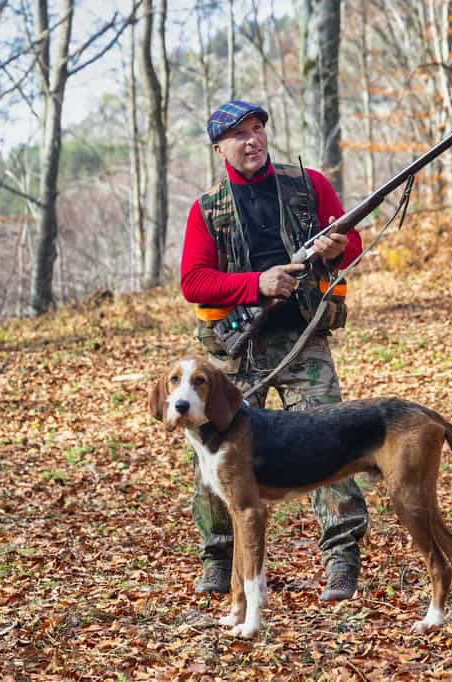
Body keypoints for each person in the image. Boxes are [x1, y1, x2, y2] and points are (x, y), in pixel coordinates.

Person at [179, 99, 369, 601]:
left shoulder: (309, 186)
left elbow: (352, 245)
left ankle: (341, 559)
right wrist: (255, 283)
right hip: (234, 353)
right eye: (239, 134)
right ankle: (219, 558)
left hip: (302, 337)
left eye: (258, 128)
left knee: (331, 440)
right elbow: (193, 281)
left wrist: (337, 247)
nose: (252, 140)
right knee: (218, 456)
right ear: (219, 147)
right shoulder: (207, 208)